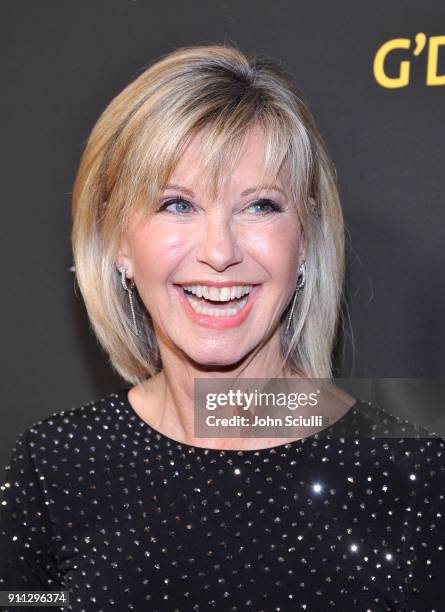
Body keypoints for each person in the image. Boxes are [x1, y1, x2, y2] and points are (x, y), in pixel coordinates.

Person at [0, 43, 443, 611]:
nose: (219, 252)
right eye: (176, 205)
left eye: (258, 205)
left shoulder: (412, 477)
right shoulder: (55, 463)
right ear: (116, 243)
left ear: (304, 241)